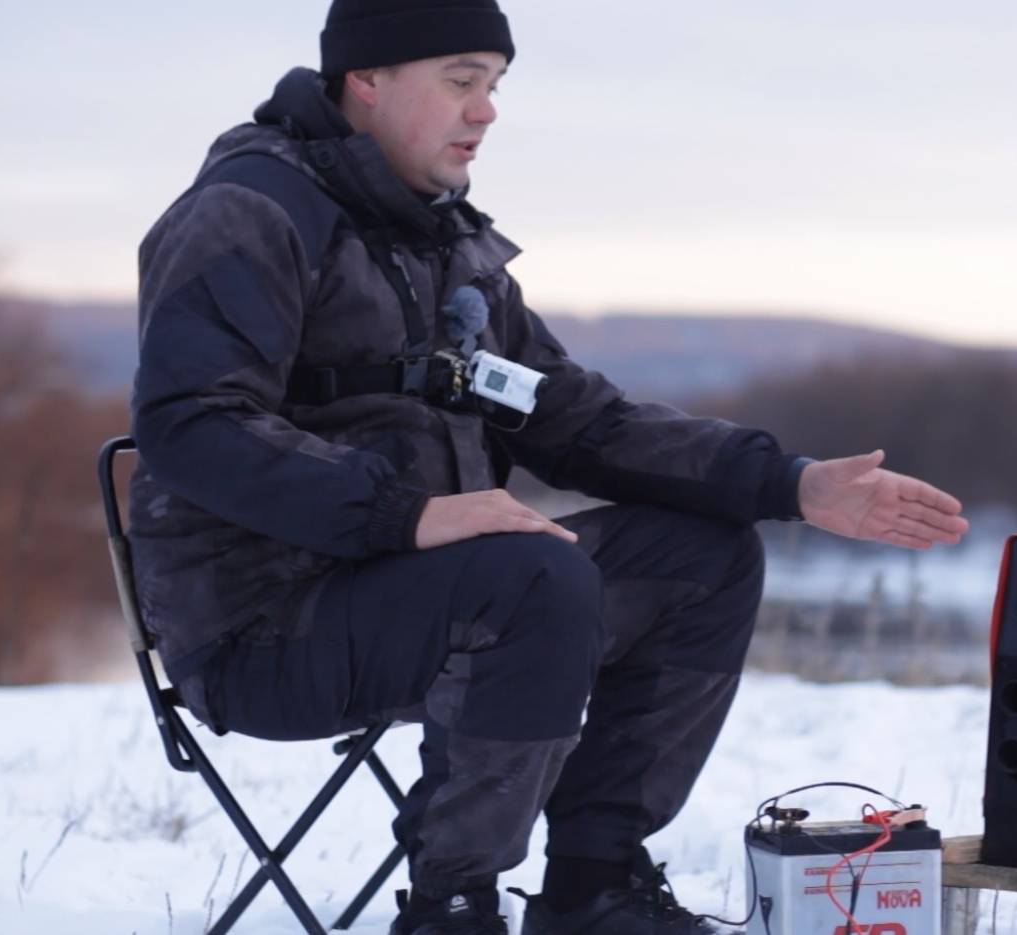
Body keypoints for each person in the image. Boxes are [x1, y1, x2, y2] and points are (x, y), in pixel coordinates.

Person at [128, 1, 969, 932]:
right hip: (264, 627)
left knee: (702, 556)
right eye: (460, 79)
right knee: (530, 574)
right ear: (366, 80)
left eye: (493, 84)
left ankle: (591, 888)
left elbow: (576, 420)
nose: (485, 110)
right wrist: (409, 515)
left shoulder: (448, 243)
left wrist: (789, 483)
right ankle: (452, 904)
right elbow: (191, 426)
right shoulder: (249, 212)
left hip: (425, 594)